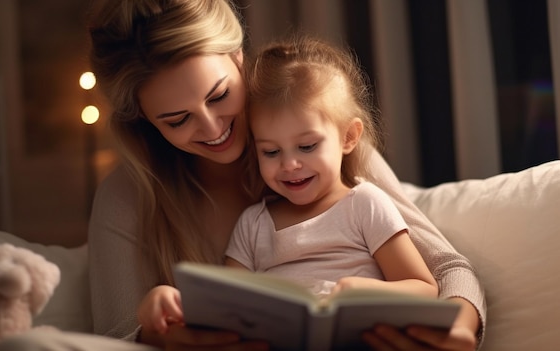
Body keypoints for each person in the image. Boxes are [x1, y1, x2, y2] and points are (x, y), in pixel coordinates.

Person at [84, 0, 486, 351]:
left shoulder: (323, 143)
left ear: (239, 57)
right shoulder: (128, 198)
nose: (211, 128)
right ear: (144, 120)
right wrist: (156, 334)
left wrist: (458, 328)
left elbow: (446, 269)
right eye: (177, 119)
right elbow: (111, 339)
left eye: (219, 95)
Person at [138, 35, 440, 336]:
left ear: (348, 137)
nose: (290, 165)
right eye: (270, 151)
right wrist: (169, 300)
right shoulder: (253, 225)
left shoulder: (364, 204)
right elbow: (223, 306)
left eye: (307, 146)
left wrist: (362, 292)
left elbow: (425, 288)